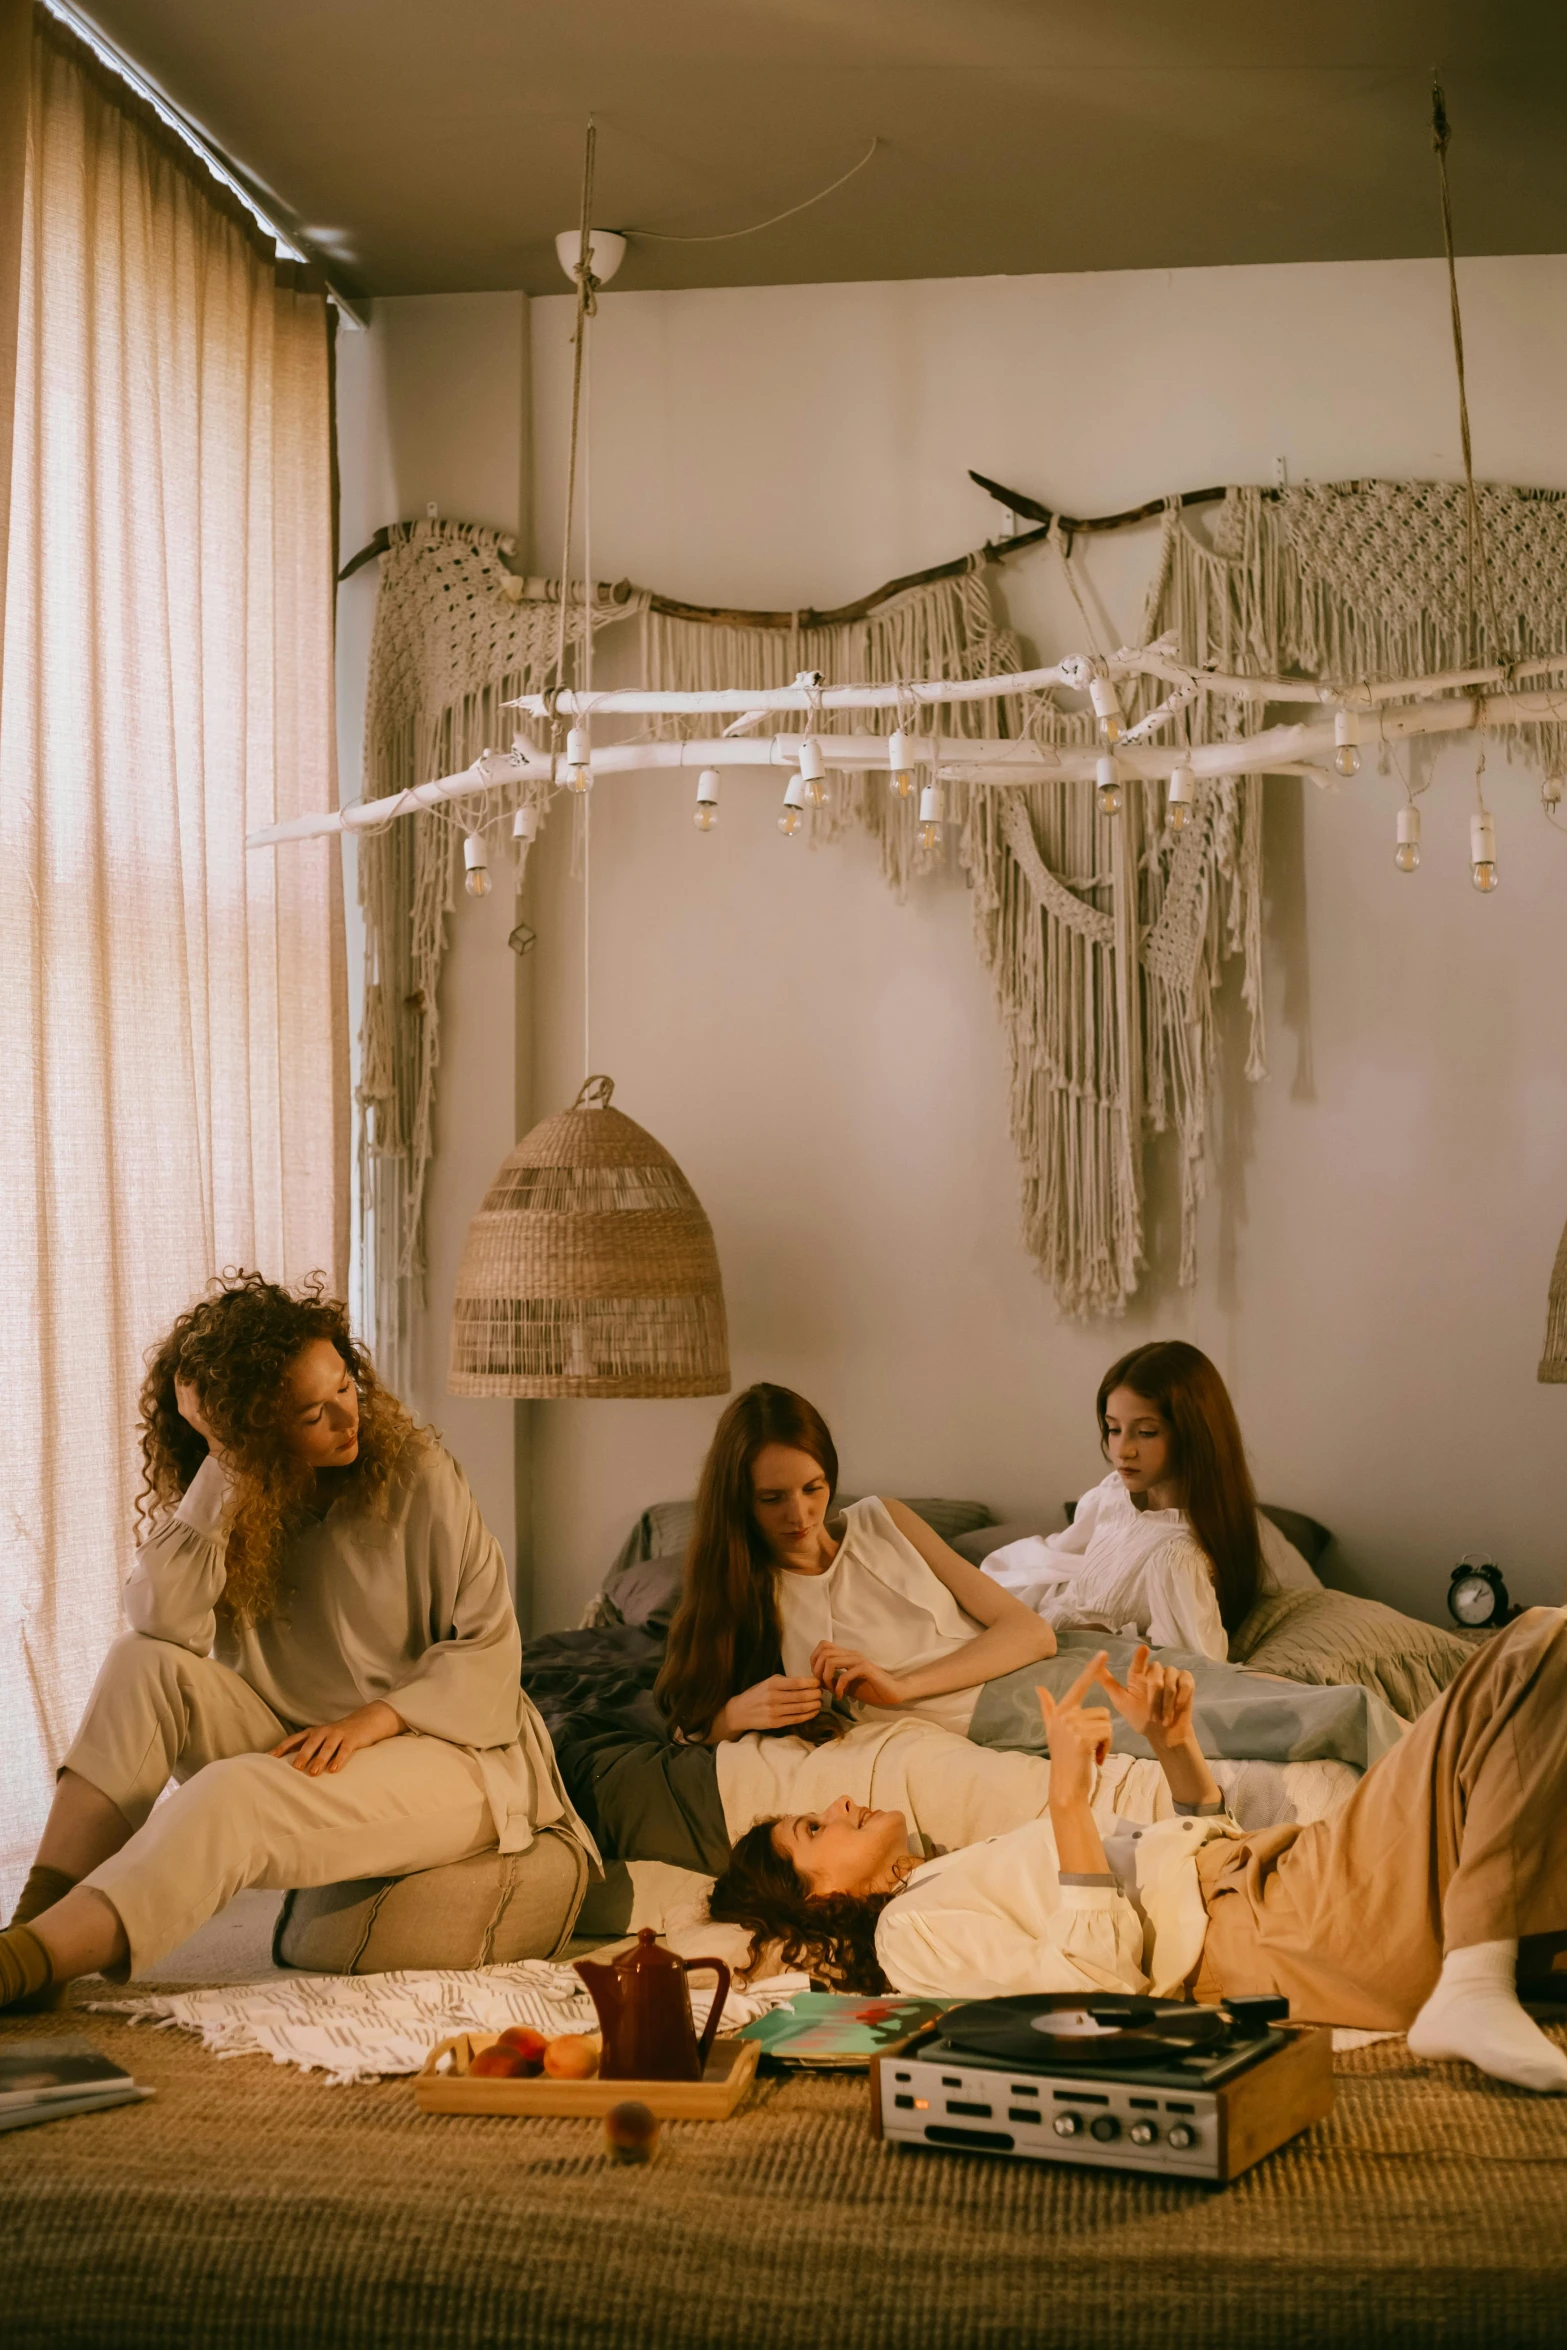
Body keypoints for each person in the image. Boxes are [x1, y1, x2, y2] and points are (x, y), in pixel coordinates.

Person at [0, 1272, 590, 2015]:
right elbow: (163, 1625)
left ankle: (23, 1963)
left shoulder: (419, 1475)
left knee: (233, 1791)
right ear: (257, 1433)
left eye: (346, 1387)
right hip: (300, 1738)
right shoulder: (239, 1484)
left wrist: (370, 1722)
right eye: (313, 1413)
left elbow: (491, 1652)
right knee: (138, 1663)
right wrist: (225, 1466)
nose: (349, 1420)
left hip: (459, 1755)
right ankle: (28, 1942)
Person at [709, 1618, 1567, 2096]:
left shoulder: (945, 1874)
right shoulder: (910, 1938)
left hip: (1277, 1886)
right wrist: (1068, 1805)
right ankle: (1472, 1983)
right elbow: (1092, 1997)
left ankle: (1478, 1968)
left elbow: (1182, 1859)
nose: (838, 1805)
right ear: (817, 1900)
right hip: (1283, 1926)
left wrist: (1173, 1745)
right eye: (812, 1832)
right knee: (1531, 1648)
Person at [653, 1383, 1057, 1746]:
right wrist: (735, 1715)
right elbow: (685, 1730)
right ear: (738, 1500)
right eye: (772, 1498)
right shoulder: (742, 1595)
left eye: (813, 1488)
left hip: (1031, 1683)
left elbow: (1034, 1633)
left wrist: (900, 1686)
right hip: (988, 1729)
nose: (799, 1514)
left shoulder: (886, 1519)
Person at [982, 1340, 1316, 1662]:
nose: (1122, 1450)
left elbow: (1190, 1674)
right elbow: (1058, 1558)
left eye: (1146, 1432)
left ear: (1193, 1435)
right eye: (1114, 1430)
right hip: (1025, 1617)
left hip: (1047, 1649)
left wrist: (1101, 1637)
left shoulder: (1177, 1560)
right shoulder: (1114, 1495)